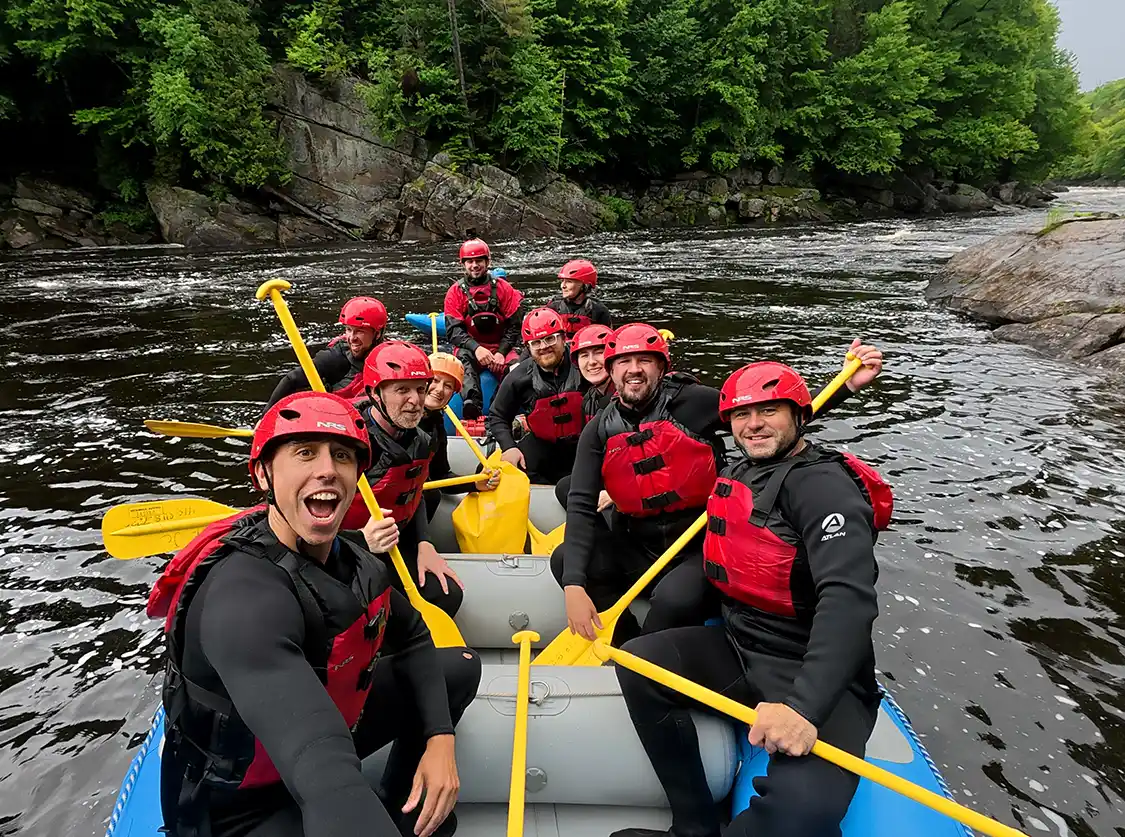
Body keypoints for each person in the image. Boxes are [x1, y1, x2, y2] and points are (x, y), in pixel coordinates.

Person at [148, 390, 481, 837]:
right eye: (305, 453)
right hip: (239, 802)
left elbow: (416, 637)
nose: (327, 469)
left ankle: (403, 801)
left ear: (357, 477)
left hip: (335, 727)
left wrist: (439, 738)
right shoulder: (241, 595)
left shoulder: (356, 561)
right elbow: (321, 760)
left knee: (458, 668)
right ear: (263, 474)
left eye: (341, 456)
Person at [610, 361, 892, 837]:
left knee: (802, 816)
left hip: (808, 669)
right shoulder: (744, 467)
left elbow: (848, 601)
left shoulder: (825, 489)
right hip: (741, 645)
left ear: (798, 415)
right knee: (639, 663)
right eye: (742, 415)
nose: (753, 424)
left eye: (768, 411)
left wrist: (804, 709)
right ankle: (693, 826)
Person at [556, 323, 884, 644]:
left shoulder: (694, 402)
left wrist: (846, 384)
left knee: (673, 599)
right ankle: (622, 636)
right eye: (624, 362)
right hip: (637, 543)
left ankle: (647, 651)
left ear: (662, 367)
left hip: (701, 544)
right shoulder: (599, 429)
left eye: (644, 360)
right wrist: (573, 585)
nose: (634, 369)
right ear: (611, 371)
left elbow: (774, 416)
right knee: (564, 561)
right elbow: (582, 503)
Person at [339, 341, 464, 617]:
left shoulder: (421, 440)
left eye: (420, 389)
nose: (416, 400)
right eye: (402, 390)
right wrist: (361, 541)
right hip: (339, 549)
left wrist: (424, 542)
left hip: (392, 540)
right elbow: (300, 526)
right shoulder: (344, 446)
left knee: (447, 595)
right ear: (375, 393)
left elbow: (413, 492)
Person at [486, 307, 587, 485]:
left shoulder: (585, 366)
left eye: (550, 339)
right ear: (528, 347)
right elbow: (497, 416)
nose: (544, 347)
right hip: (543, 446)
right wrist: (509, 447)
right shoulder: (518, 377)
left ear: (564, 338)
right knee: (490, 471)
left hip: (585, 445)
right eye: (536, 343)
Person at [442, 238, 524, 420]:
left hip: (500, 347)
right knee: (463, 361)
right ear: (463, 264)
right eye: (470, 261)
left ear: (487, 262)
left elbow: (515, 326)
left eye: (479, 260)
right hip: (470, 348)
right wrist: (476, 348)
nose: (474, 265)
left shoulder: (504, 289)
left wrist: (502, 352)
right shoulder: (455, 292)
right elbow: (454, 331)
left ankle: (501, 408)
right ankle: (471, 404)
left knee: (518, 370)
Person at [419, 350, 501, 523]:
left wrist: (475, 484)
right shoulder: (398, 419)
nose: (439, 390)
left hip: (413, 503)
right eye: (435, 381)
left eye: (448, 386)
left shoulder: (436, 427)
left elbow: (440, 476)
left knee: (431, 495)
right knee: (431, 495)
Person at [265, 296, 387, 408]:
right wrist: (264, 419)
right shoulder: (336, 358)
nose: (351, 338)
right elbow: (291, 380)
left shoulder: (389, 355)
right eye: (349, 330)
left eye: (360, 331)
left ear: (377, 334)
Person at [546, 259, 613, 338]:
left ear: (585, 286)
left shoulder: (598, 310)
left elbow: (608, 339)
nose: (563, 286)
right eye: (563, 281)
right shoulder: (553, 308)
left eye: (569, 282)